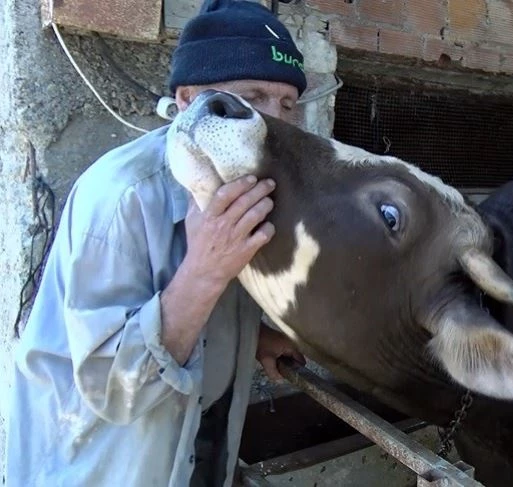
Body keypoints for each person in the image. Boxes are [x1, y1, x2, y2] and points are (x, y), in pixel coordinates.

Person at [4, 1, 308, 486]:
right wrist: (204, 270)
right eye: (250, 97)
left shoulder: (242, 181)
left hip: (192, 449)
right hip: (100, 465)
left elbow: (212, 315)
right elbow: (112, 390)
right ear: (187, 101)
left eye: (287, 105)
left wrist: (254, 340)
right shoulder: (121, 197)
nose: (272, 122)